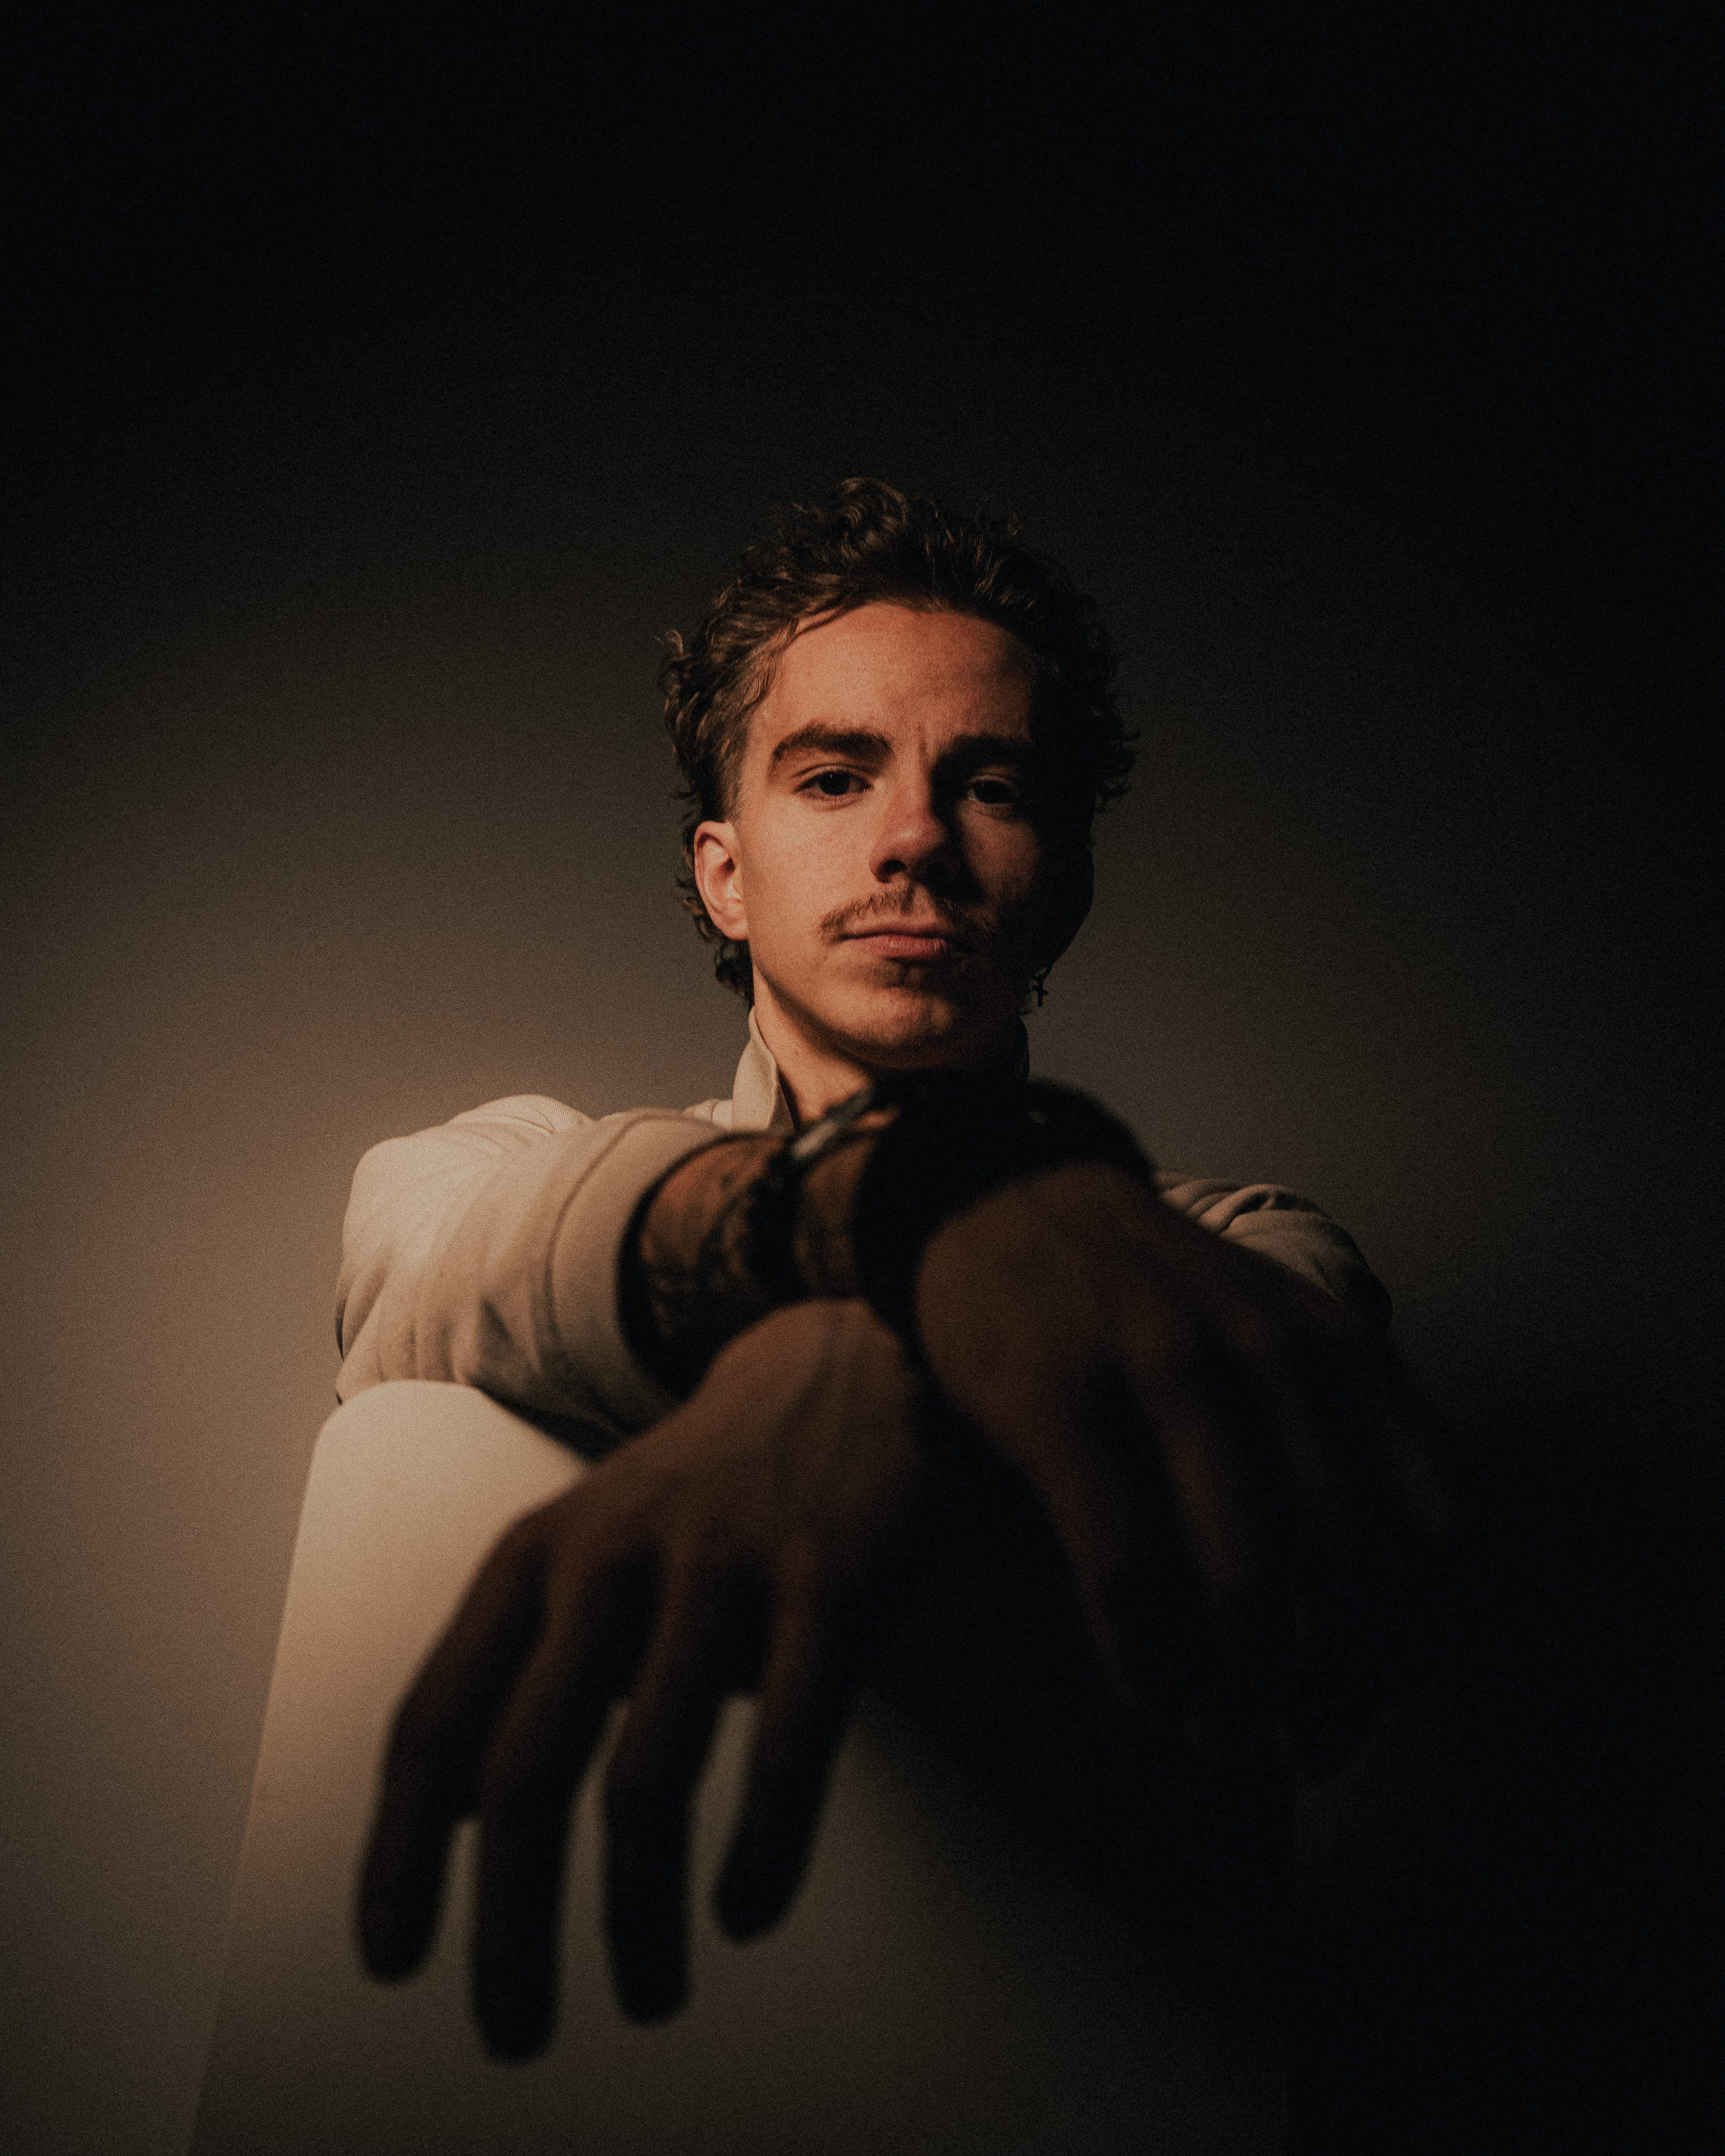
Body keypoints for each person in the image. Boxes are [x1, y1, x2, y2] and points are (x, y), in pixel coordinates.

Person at [340, 478, 1452, 2060]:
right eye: (836, 775)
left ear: (1063, 881)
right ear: (725, 872)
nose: (916, 837)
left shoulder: (1235, 1250)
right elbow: (414, 1247)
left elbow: (1294, 1424)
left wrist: (852, 1352)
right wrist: (887, 1232)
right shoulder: (512, 1162)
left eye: (989, 785)